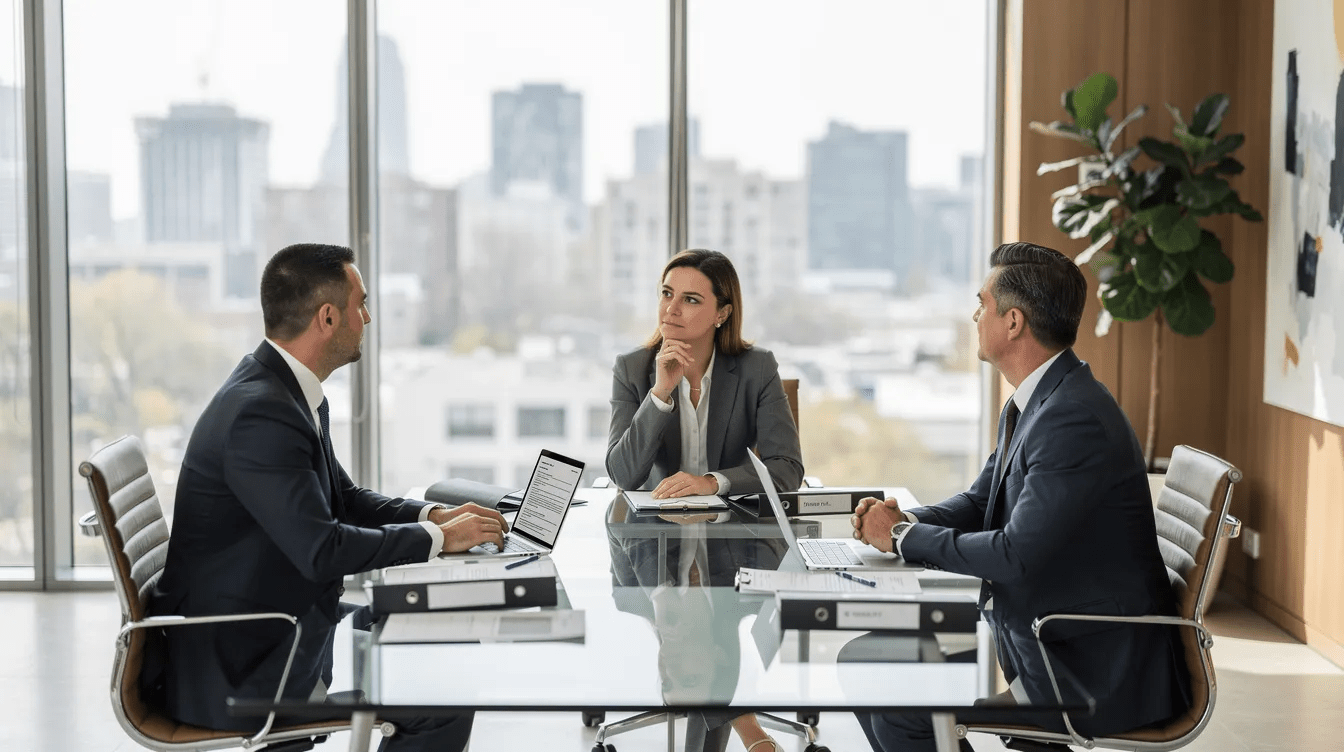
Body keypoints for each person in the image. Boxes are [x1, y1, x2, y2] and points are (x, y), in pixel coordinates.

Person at [146, 244, 509, 751]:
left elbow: (345, 497)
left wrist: (434, 516)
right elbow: (322, 550)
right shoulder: (262, 413)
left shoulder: (282, 391)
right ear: (328, 316)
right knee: (441, 696)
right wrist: (436, 539)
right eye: (361, 304)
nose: (367, 318)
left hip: (273, 625)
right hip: (246, 664)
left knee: (437, 626)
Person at [850, 242, 1191, 752]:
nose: (974, 314)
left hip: (1090, 669)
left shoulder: (1070, 418)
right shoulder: (1045, 398)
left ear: (1012, 322)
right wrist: (901, 520)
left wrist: (901, 537)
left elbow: (1014, 554)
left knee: (902, 707)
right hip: (1052, 639)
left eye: (982, 303)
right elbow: (979, 502)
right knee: (866, 662)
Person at [606, 248, 805, 751]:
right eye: (666, 294)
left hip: (735, 547)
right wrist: (661, 394)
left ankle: (730, 720)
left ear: (722, 312)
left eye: (690, 299)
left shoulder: (755, 368)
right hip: (653, 548)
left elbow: (787, 470)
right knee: (692, 627)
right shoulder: (634, 368)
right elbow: (622, 473)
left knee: (707, 623)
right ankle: (747, 729)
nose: (671, 309)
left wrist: (713, 481)